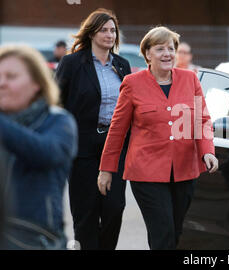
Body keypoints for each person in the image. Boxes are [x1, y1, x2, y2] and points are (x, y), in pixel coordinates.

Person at [98, 26, 218, 250]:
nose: (167, 54)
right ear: (147, 54)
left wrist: (207, 151)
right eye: (160, 48)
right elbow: (117, 130)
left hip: (185, 170)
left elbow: (202, 120)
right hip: (146, 173)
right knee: (162, 232)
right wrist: (106, 169)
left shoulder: (190, 79)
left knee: (176, 232)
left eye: (171, 49)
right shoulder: (133, 83)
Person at [55, 8, 131, 250]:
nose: (109, 35)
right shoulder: (72, 63)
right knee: (86, 212)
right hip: (82, 147)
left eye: (113, 30)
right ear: (91, 33)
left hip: (116, 146)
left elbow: (131, 105)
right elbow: (57, 103)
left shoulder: (122, 64)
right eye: (103, 30)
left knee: (114, 207)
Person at [0, 44, 77, 249]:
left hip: (35, 237)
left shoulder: (58, 121)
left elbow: (45, 153)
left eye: (11, 76)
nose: (2, 83)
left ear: (37, 83)